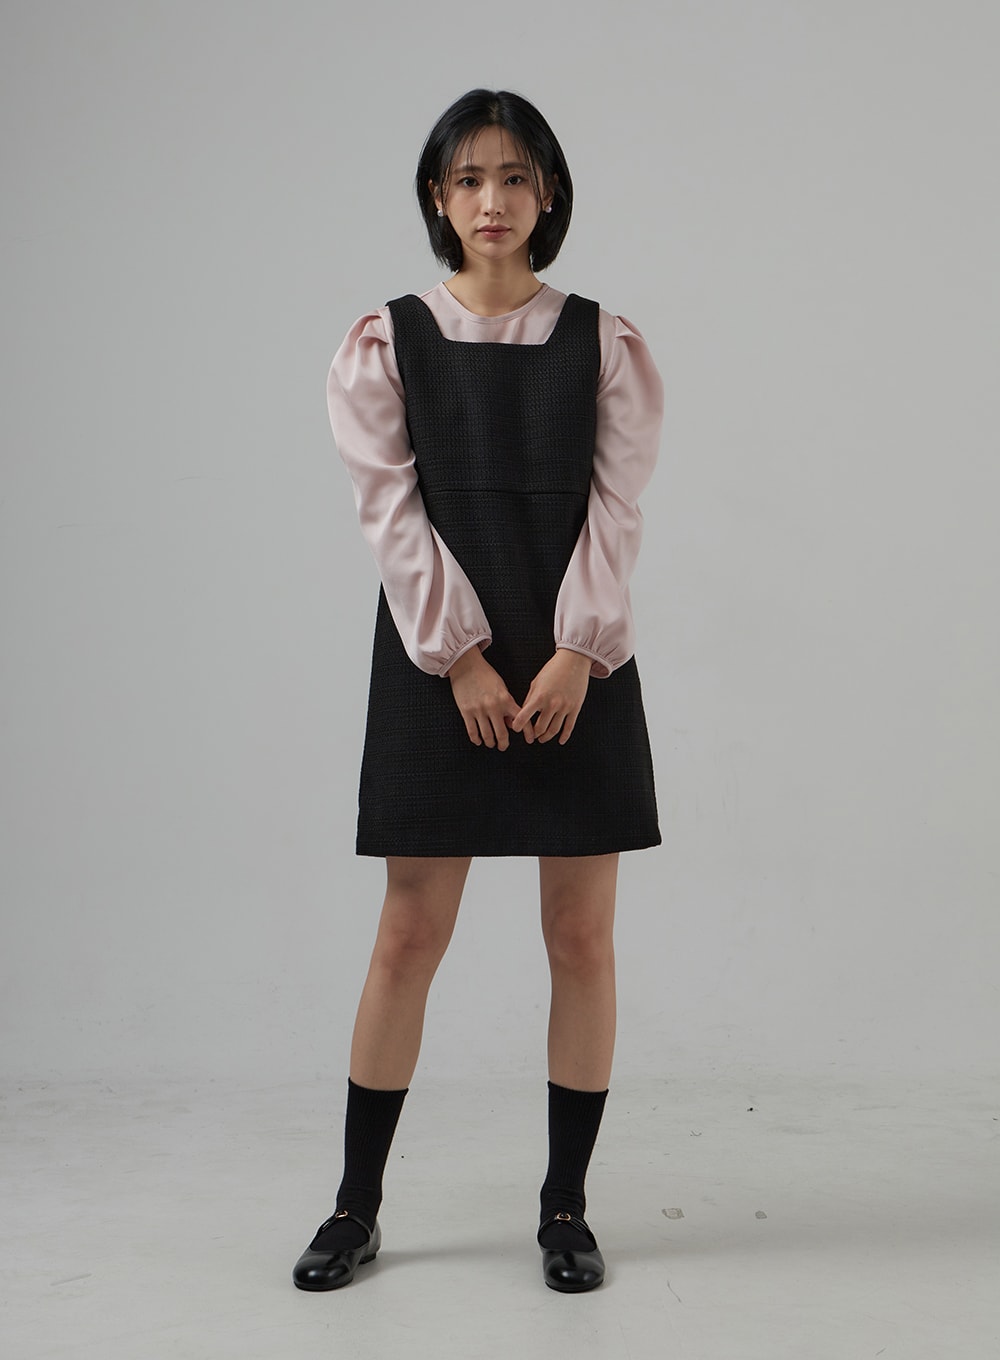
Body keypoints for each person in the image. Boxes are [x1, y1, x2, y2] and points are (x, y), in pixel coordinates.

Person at [292, 88, 663, 1295]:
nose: (490, 200)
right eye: (467, 179)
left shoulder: (603, 341)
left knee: (580, 936)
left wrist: (579, 650)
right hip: (431, 658)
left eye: (512, 177)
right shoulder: (386, 340)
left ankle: (565, 1209)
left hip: (573, 664)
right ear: (437, 198)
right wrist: (456, 654)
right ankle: (354, 1205)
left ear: (547, 193)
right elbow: (389, 511)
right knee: (409, 932)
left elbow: (616, 509)